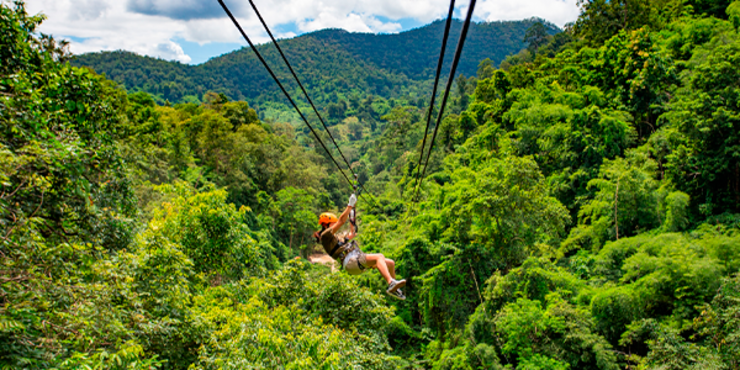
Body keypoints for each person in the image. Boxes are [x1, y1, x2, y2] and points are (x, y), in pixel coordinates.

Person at [314, 193, 406, 300]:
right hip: (351, 261)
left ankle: (394, 289)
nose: (335, 226)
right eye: (332, 224)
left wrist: (351, 226)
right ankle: (391, 283)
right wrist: (350, 205)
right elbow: (341, 221)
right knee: (379, 256)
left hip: (353, 259)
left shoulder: (334, 239)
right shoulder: (325, 235)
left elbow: (347, 237)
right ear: (326, 225)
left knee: (390, 263)